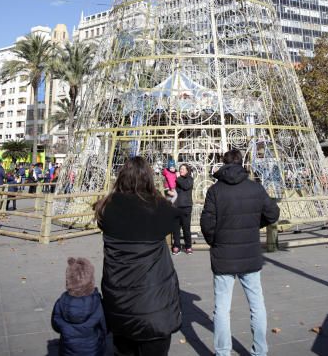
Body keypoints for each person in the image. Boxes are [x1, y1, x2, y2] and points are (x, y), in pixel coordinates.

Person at [95, 156, 181, 356]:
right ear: (148, 178)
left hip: (119, 305)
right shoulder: (158, 207)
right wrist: (170, 200)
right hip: (155, 307)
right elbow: (175, 221)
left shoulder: (106, 207)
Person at [200, 148, 280, 356]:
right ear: (241, 163)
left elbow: (206, 222)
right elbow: (273, 214)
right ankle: (260, 351)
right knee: (256, 305)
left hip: (223, 256)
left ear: (224, 164)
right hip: (250, 255)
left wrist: (215, 241)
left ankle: (222, 352)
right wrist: (255, 225)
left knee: (222, 308)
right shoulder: (256, 189)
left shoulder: (215, 191)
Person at [52, 257, 107, 356]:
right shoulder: (98, 303)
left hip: (67, 351)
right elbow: (105, 327)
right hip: (93, 350)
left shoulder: (60, 302)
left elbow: (56, 325)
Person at [172, 163, 193, 255]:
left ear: (187, 170)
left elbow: (186, 186)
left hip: (186, 207)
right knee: (176, 228)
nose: (181, 170)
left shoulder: (189, 179)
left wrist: (178, 178)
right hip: (176, 207)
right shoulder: (176, 179)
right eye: (180, 169)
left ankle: (188, 246)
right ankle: (176, 246)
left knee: (186, 228)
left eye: (183, 169)